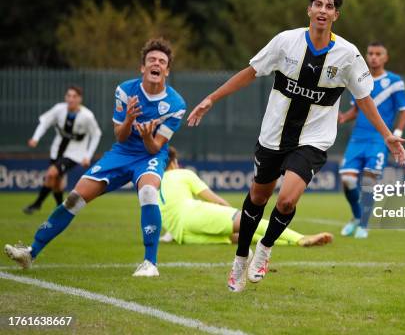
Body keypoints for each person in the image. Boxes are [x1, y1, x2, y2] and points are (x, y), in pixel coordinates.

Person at [187, 0, 405, 292]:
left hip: (314, 139)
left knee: (287, 199)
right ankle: (239, 259)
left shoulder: (348, 55)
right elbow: (250, 72)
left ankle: (264, 249)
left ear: (336, 15)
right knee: (259, 197)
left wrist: (387, 134)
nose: (322, 10)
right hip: (273, 136)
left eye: (329, 7)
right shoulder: (285, 42)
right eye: (318, 4)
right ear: (309, 10)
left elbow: (365, 99)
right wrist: (212, 98)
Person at [5, 38, 186, 277]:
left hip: (149, 155)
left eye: (162, 61)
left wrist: (146, 137)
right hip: (122, 153)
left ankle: (150, 264)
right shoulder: (124, 91)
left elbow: (155, 148)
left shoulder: (176, 104)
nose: (156, 63)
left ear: (167, 70)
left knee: (148, 191)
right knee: (74, 198)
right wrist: (130, 119)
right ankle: (31, 252)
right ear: (142, 67)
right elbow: (120, 137)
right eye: (151, 59)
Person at [159, 147, 333, 247]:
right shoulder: (182, 174)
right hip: (194, 216)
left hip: (182, 234)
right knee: (249, 221)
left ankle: (292, 243)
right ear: (174, 162)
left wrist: (169, 234)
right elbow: (215, 200)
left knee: (238, 237)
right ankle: (300, 238)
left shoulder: (155, 182)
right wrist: (233, 212)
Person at [338, 41, 405, 239]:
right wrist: (344, 117)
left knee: (369, 182)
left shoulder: (395, 81)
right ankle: (356, 216)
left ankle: (363, 224)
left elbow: (404, 109)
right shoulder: (360, 79)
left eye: (378, 53)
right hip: (357, 138)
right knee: (347, 180)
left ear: (385, 57)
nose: (374, 57)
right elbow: (357, 107)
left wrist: (395, 131)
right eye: (370, 53)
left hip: (379, 139)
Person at [23, 86, 102, 214]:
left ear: (80, 99)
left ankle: (37, 204)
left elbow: (96, 134)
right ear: (65, 97)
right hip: (56, 151)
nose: (71, 99)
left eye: (74, 96)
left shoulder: (87, 116)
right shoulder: (59, 109)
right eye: (69, 96)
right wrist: (35, 138)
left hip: (75, 155)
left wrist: (88, 156)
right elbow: (45, 122)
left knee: (51, 174)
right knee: (55, 182)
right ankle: (60, 208)